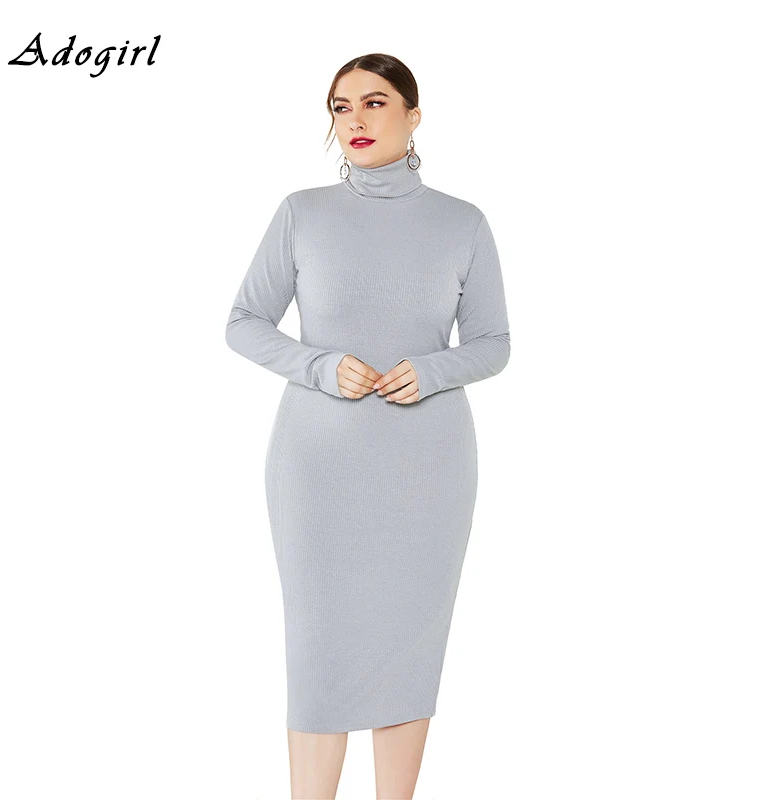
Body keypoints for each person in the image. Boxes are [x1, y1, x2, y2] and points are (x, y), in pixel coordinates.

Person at [225, 53, 511, 799]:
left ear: (414, 115)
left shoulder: (463, 222)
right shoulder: (303, 212)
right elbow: (243, 322)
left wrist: (434, 369)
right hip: (317, 469)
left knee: (409, 648)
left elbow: (493, 343)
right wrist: (319, 366)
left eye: (374, 102)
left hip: (427, 471)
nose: (354, 119)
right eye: (341, 106)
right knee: (317, 652)